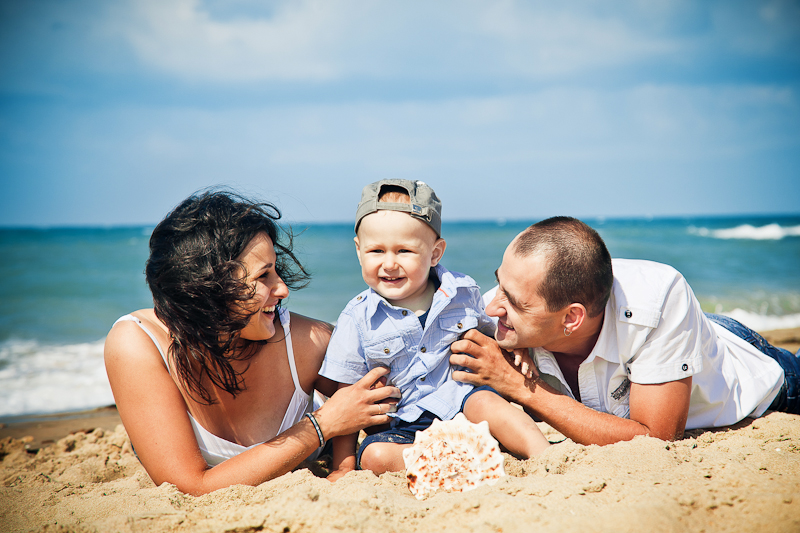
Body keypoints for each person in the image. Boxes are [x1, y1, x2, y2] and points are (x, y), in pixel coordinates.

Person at [104, 190, 400, 495]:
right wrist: (321, 425)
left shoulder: (309, 344)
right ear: (206, 290)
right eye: (263, 276)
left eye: (276, 269)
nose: (283, 289)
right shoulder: (139, 343)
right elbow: (192, 485)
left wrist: (452, 355)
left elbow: (406, 409)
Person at [450, 216, 798, 446]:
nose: (492, 307)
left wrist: (521, 387)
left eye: (515, 303)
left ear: (571, 318)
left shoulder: (659, 299)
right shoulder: (505, 305)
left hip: (748, 367)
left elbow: (655, 440)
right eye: (499, 285)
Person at [320, 180, 550, 479]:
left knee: (488, 402)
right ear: (358, 250)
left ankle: (544, 455)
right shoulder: (357, 318)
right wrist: (344, 466)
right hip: (403, 426)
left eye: (404, 251)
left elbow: (496, 331)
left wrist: (520, 350)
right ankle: (466, 462)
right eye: (376, 250)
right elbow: (347, 394)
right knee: (374, 456)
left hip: (465, 404)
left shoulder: (462, 292)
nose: (389, 263)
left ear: (435, 253)